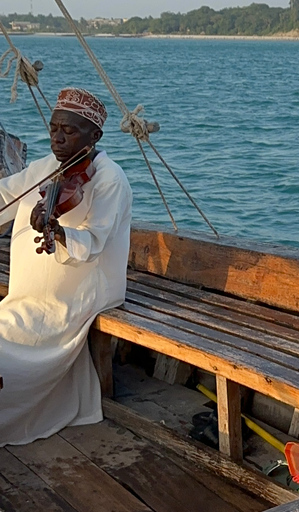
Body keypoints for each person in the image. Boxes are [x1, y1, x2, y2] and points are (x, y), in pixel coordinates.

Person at [0, 88, 132, 446]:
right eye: (53, 127)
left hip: (80, 292)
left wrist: (59, 232)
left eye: (69, 131)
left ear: (95, 136)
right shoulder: (46, 167)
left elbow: (93, 241)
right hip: (27, 296)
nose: (57, 138)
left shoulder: (110, 179)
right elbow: (5, 194)